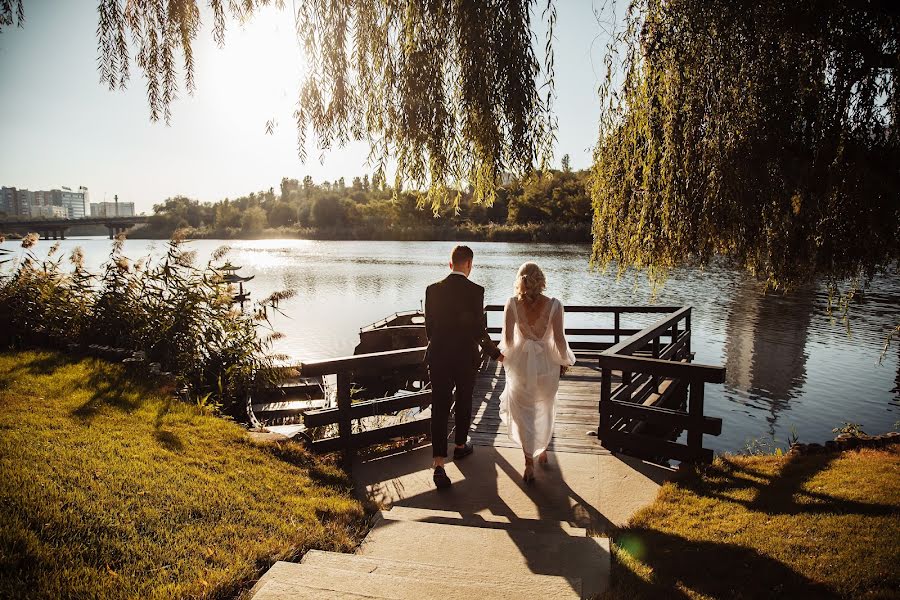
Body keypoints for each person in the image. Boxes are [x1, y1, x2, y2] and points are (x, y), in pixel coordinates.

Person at [424, 245, 503, 488]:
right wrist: (495, 353)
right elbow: (478, 331)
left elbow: (429, 329)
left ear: (451, 264)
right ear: (469, 264)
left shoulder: (432, 290)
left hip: (438, 355)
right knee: (464, 399)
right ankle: (460, 446)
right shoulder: (476, 291)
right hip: (464, 358)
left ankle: (439, 463)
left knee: (439, 406)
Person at [498, 262, 575, 482]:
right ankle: (543, 450)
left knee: (524, 411)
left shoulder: (511, 304)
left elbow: (508, 340)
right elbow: (559, 339)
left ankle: (528, 462)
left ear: (520, 279)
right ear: (540, 280)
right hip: (546, 365)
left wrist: (504, 359)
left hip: (521, 364)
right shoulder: (555, 305)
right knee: (544, 405)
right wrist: (565, 360)